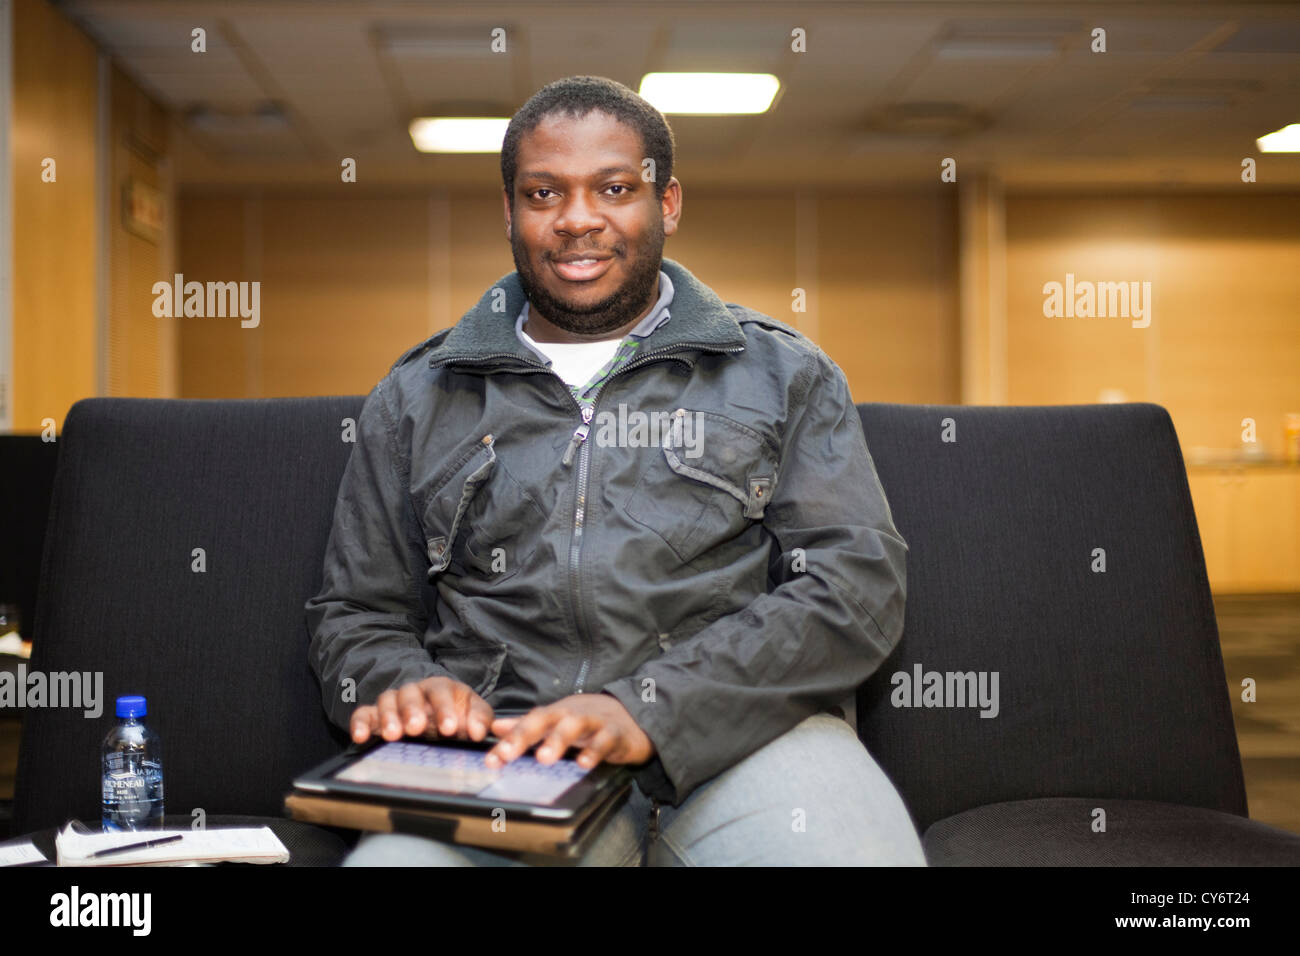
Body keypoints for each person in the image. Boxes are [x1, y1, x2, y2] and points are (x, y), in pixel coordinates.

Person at [304, 75, 926, 866]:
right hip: (511, 754)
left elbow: (856, 584)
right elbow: (356, 613)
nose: (577, 219)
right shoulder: (420, 394)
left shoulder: (779, 371)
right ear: (509, 213)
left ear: (666, 203)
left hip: (747, 736)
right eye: (543, 193)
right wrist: (400, 684)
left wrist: (651, 710)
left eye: (615, 188)